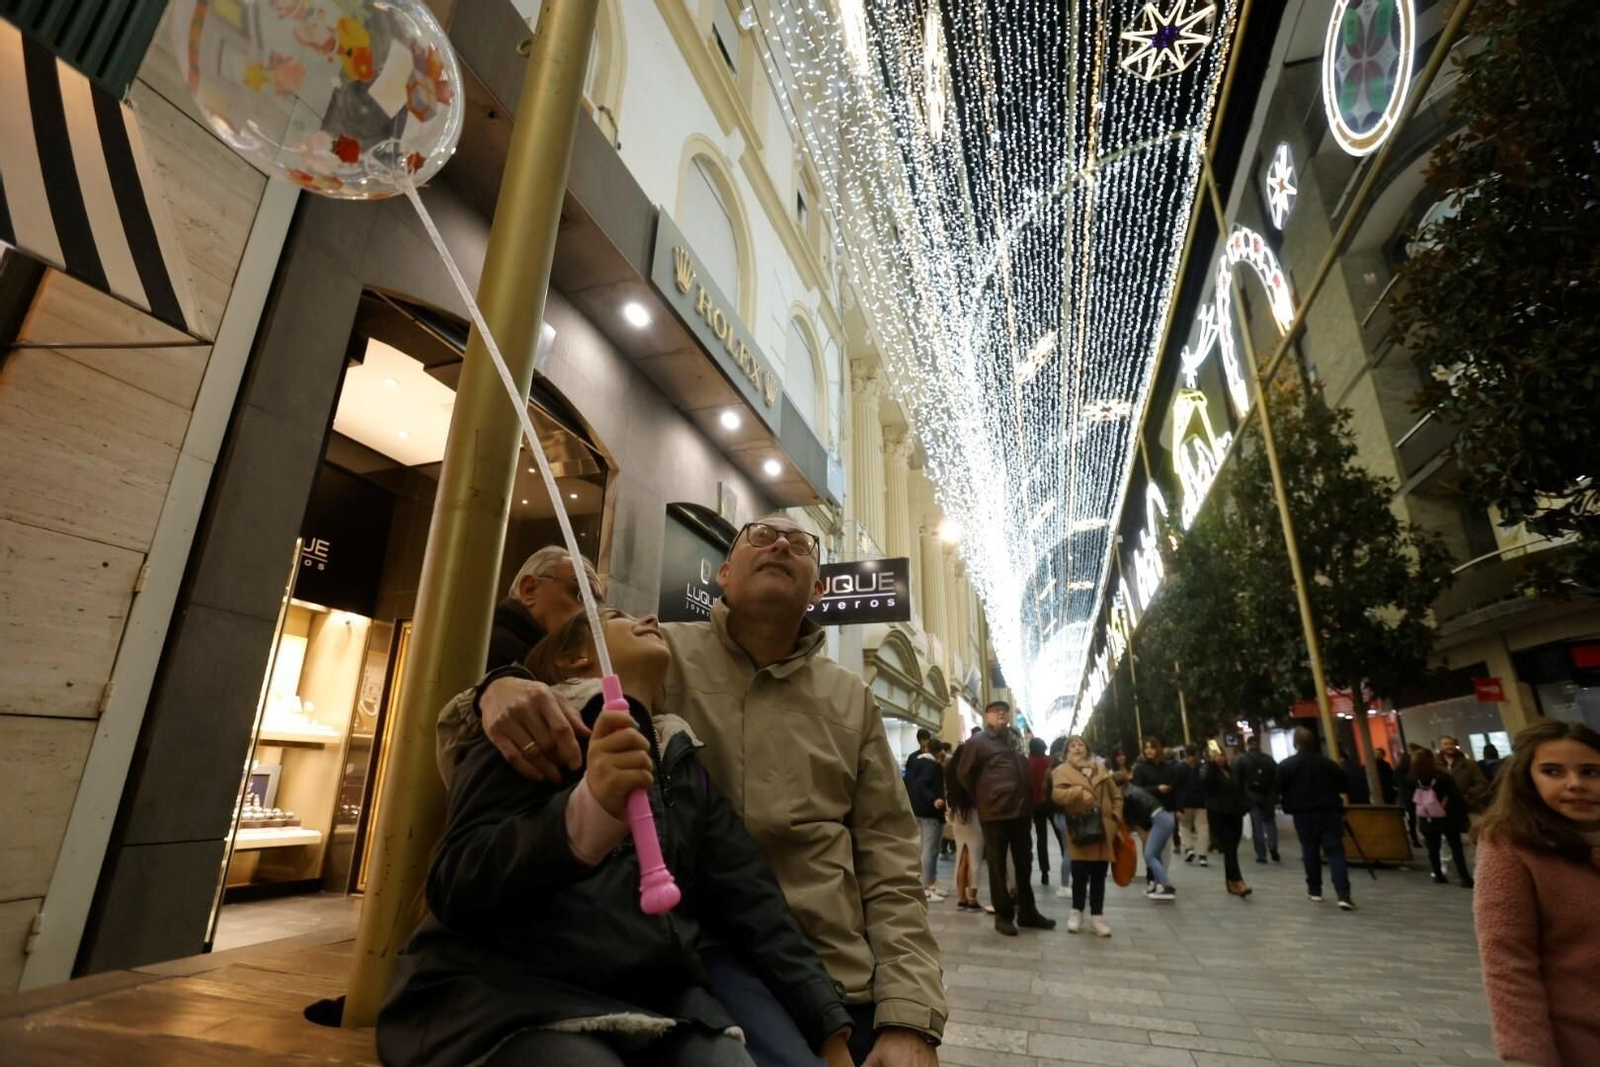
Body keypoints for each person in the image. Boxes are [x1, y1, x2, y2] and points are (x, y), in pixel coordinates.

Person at [447, 515, 945, 1065]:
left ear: (819, 590)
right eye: (760, 536)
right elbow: (488, 723)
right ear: (724, 575)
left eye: (800, 543)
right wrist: (497, 688)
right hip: (699, 963)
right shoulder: (656, 654)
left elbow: (892, 865)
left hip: (839, 975)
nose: (780, 542)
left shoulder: (852, 700)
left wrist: (909, 1015)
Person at [379, 610, 853, 1066]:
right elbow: (457, 881)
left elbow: (755, 903)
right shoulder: (529, 728)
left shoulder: (683, 766)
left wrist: (828, 1027)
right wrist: (586, 812)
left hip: (662, 1002)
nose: (649, 619)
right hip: (507, 995)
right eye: (620, 617)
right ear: (575, 658)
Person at [1471, 720, 1600, 1067]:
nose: (1576, 784)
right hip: (1577, 1042)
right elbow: (1507, 960)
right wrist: (1527, 1055)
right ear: (1528, 780)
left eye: (1590, 772)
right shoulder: (1511, 845)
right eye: (1553, 771)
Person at [958, 701, 1057, 936]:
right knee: (997, 865)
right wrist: (985, 795)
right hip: (996, 812)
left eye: (1004, 710)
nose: (1001, 712)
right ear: (986, 716)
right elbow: (964, 773)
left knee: (1024, 863)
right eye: (995, 710)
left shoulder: (1013, 739)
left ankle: (1027, 912)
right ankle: (1003, 915)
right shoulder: (978, 742)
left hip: (1021, 811)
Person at [1276, 727, 1355, 910]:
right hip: (1329, 812)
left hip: (1303, 814)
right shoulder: (1328, 764)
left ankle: (1315, 889)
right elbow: (1343, 785)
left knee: (1310, 850)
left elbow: (1279, 789)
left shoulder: (1287, 765)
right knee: (1335, 852)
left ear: (1295, 744)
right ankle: (1343, 894)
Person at [1051, 735, 1123, 935]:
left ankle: (1097, 917)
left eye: (1080, 745)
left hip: (1102, 829)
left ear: (1087, 749)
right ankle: (1077, 912)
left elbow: (1117, 795)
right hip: (1080, 828)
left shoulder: (1101, 770)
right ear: (1067, 751)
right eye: (1072, 745)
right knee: (1080, 873)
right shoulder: (1061, 771)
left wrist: (1115, 816)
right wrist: (1077, 793)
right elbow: (1056, 795)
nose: (1077, 748)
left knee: (1099, 875)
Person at [490, 547, 605, 670]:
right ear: (529, 590)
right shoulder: (492, 651)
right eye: (580, 595)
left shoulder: (541, 660)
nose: (592, 614)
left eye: (596, 605)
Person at [1409, 748, 1475, 888]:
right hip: (1447, 816)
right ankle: (1464, 877)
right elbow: (1455, 796)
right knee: (1455, 847)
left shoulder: (1414, 777)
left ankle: (1438, 874)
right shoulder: (1442, 776)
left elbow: (1410, 797)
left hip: (1427, 817)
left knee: (1433, 848)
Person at [1201, 743, 1252, 898]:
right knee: (1229, 848)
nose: (1219, 758)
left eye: (1221, 755)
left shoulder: (1231, 772)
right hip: (1219, 815)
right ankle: (1237, 881)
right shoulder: (1208, 772)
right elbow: (1206, 782)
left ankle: (1231, 882)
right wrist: (1210, 761)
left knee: (1232, 849)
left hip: (1235, 814)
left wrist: (1244, 806)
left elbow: (1240, 789)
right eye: (1215, 756)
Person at [905, 734, 948, 902]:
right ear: (939, 752)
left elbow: (911, 784)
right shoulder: (932, 766)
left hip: (916, 810)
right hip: (929, 811)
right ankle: (925, 887)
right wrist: (934, 798)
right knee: (930, 850)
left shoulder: (913, 761)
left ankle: (930, 882)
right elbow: (923, 784)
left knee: (924, 848)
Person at [945, 742, 986, 913]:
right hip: (973, 815)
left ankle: (961, 898)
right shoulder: (972, 772)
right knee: (974, 859)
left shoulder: (950, 770)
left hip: (956, 814)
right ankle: (972, 899)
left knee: (961, 857)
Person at [1132, 736, 1179, 884]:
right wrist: (1157, 789)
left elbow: (1175, 786)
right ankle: (1153, 877)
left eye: (1152, 747)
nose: (1149, 751)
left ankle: (1162, 876)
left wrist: (1178, 808)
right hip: (1149, 813)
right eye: (1146, 748)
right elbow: (1138, 790)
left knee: (1166, 846)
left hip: (1167, 809)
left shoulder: (1168, 767)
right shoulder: (1140, 768)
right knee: (1152, 847)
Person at [1121, 780, 1176, 900]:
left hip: (1160, 820)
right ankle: (1157, 885)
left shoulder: (1128, 795)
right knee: (1155, 855)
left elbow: (1132, 816)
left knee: (1149, 855)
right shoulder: (1135, 789)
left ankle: (1166, 887)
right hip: (1164, 818)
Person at [1235, 736, 1280, 863]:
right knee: (1270, 823)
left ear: (1247, 745)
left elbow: (1237, 779)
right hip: (1268, 796)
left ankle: (1261, 855)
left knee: (1257, 826)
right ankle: (1273, 847)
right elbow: (1276, 777)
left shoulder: (1242, 759)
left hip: (1252, 796)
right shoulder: (1268, 759)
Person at [1027, 737, 1056, 887]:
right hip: (1051, 803)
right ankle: (1068, 865)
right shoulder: (1049, 761)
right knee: (1061, 837)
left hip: (1035, 806)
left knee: (1041, 838)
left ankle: (1044, 872)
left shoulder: (1027, 763)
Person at [1440, 735, 1493, 814]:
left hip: (1469, 808)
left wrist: (1468, 794)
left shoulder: (1469, 764)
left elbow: (1482, 783)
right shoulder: (1435, 766)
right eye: (1446, 744)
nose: (1449, 746)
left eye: (1451, 744)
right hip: (1445, 810)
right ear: (1441, 746)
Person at [1176, 746, 1209, 867]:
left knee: (1184, 826)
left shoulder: (1179, 768)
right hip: (1201, 802)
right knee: (1203, 827)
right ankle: (1202, 855)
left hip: (1185, 802)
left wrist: (1178, 807)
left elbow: (1177, 788)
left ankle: (1189, 848)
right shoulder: (1202, 767)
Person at [1398, 743, 1426, 848]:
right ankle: (1419, 838)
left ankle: (1415, 838)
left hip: (1408, 797)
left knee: (1412, 819)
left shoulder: (1401, 769)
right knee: (1420, 817)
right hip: (1414, 796)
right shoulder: (1412, 769)